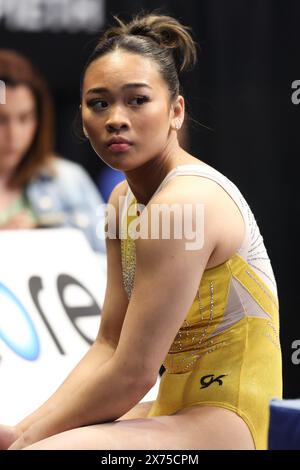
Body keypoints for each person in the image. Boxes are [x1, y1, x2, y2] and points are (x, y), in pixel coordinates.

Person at [0, 12, 282, 450]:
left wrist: (30, 438)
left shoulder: (185, 202)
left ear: (176, 111)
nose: (115, 118)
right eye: (99, 103)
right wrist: (22, 429)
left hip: (237, 419)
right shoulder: (121, 202)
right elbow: (109, 343)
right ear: (81, 115)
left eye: (137, 101)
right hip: (172, 408)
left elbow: (133, 373)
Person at [0, 49, 105, 253]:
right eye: (1, 120)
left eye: (25, 118)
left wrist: (47, 240)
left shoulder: (67, 180)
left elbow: (106, 261)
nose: (14, 134)